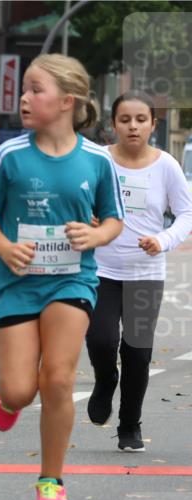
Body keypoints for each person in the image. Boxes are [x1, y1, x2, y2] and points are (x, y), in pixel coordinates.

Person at [0, 54, 124, 500]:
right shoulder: (9, 155)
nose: (24, 97)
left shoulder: (97, 159)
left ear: (66, 102)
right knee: (20, 391)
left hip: (72, 279)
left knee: (57, 378)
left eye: (36, 89)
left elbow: (115, 220)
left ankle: (51, 479)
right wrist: (2, 247)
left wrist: (95, 235)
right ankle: (8, 398)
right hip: (18, 283)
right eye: (25, 88)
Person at [86, 91, 192, 452]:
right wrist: (87, 216)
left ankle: (130, 424)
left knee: (137, 352)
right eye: (125, 119)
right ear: (113, 124)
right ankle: (104, 380)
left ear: (153, 125)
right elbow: (76, 199)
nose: (133, 126)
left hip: (145, 272)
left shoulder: (166, 166)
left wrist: (162, 240)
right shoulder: (98, 160)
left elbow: (186, 214)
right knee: (101, 340)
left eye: (141, 120)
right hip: (101, 269)